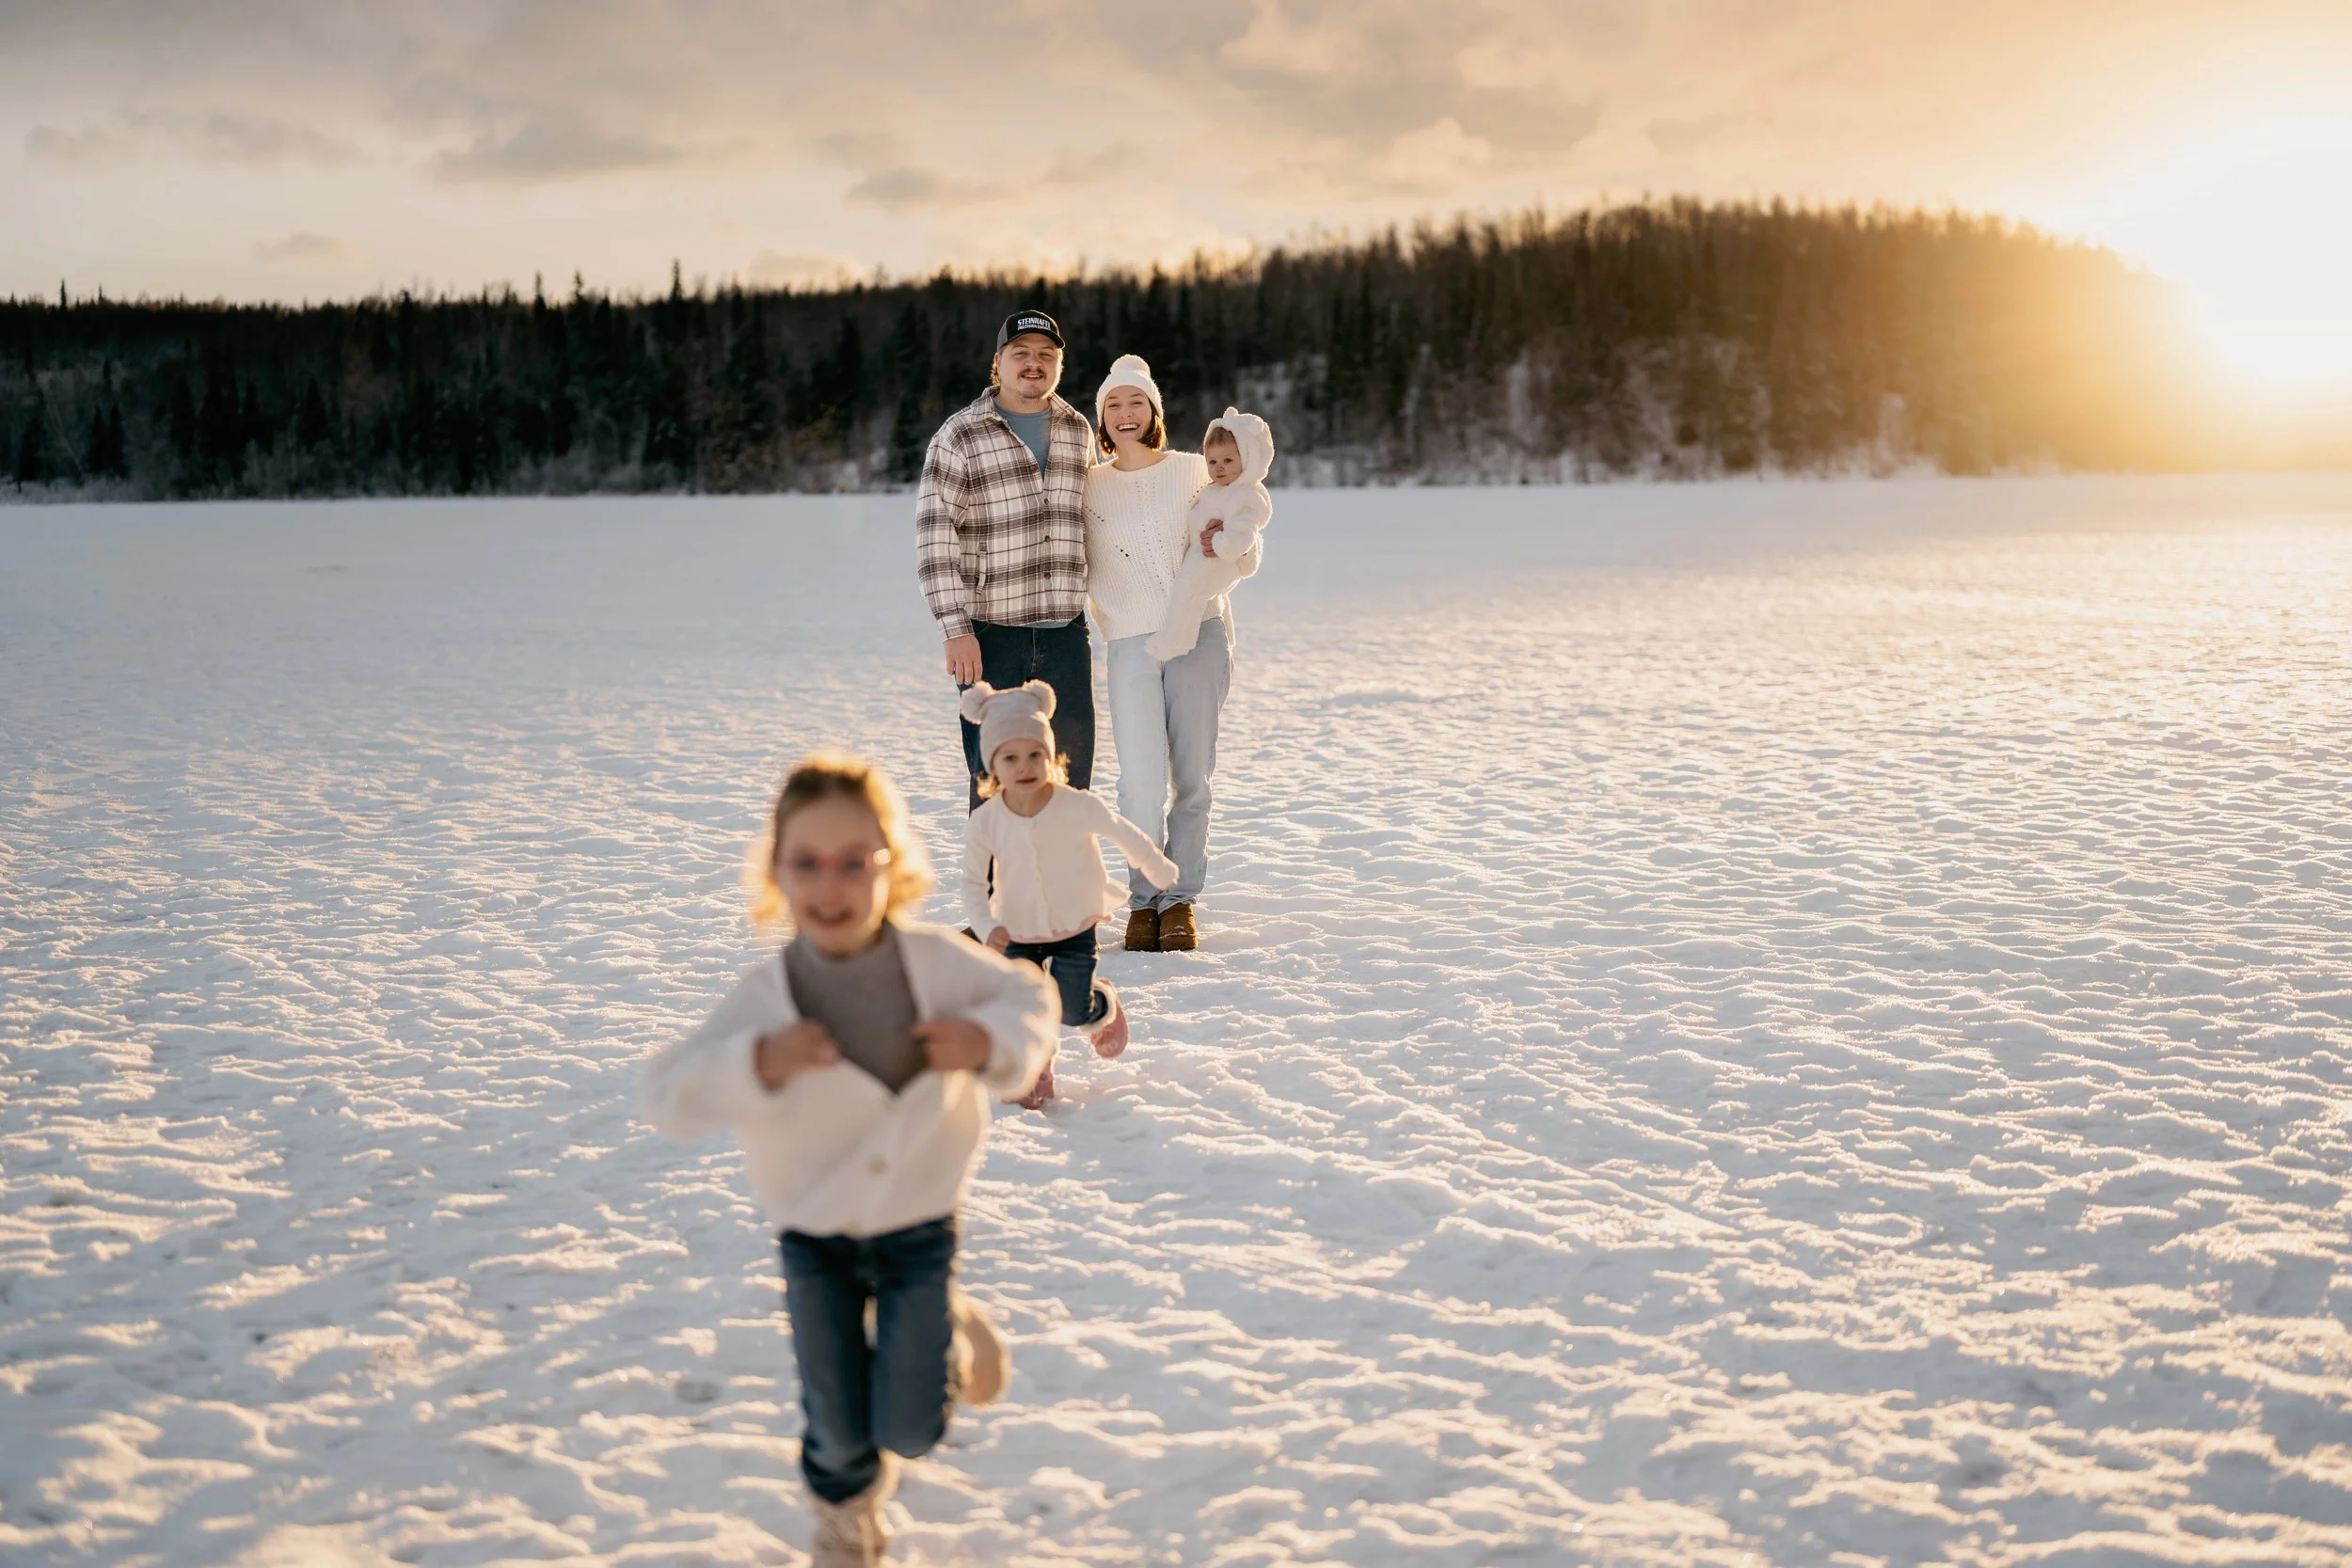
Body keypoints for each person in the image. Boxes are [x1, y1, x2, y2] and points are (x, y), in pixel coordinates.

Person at [640, 753, 1057, 1567]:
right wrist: (755, 1063)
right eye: (807, 863)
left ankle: (947, 1335)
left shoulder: (937, 966)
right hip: (815, 1236)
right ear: (776, 871)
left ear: (888, 866)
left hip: (917, 1228)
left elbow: (1027, 998)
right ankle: (846, 1513)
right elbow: (665, 1094)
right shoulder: (765, 1000)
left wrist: (991, 1043)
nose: (829, 886)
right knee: (835, 1418)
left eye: (852, 862)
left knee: (909, 1424)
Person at [1082, 355, 1263, 953]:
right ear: (1101, 417)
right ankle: (1143, 900)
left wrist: (1234, 550)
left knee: (1191, 777)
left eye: (1136, 402)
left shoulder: (1193, 472)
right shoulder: (1089, 483)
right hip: (1129, 642)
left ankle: (1180, 899)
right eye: (1114, 404)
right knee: (1138, 784)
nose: (1125, 414)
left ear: (1154, 410)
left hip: (1199, 636)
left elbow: (1244, 520)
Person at [959, 680, 1178, 1107]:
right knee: (1023, 1011)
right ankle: (1034, 1071)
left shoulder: (1074, 805)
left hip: (1073, 926)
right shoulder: (987, 822)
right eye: (1011, 757)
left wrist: (1154, 865)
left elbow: (1121, 831)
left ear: (1050, 756)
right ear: (993, 766)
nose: (1025, 766)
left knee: (1072, 1010)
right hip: (1017, 931)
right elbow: (971, 883)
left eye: (1035, 755)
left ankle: (1102, 1002)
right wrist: (987, 926)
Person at [914, 309, 1097, 811]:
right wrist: (955, 628)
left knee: (1070, 779)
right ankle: (996, 892)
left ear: (1059, 364)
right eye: (1021, 354)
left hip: (1065, 634)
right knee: (994, 780)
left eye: (1046, 355)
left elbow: (1100, 518)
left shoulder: (1078, 429)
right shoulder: (961, 435)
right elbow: (935, 536)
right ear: (999, 363)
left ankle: (1060, 890)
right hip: (990, 636)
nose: (1033, 364)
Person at [1147, 407, 1275, 660]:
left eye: (1228, 461)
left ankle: (1175, 642)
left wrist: (1218, 541)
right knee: (1210, 593)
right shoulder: (1216, 489)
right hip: (1208, 555)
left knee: (1188, 588)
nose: (1219, 468)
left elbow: (1241, 538)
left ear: (1246, 459)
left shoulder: (1245, 496)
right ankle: (1227, 631)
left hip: (1219, 557)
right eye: (1212, 461)